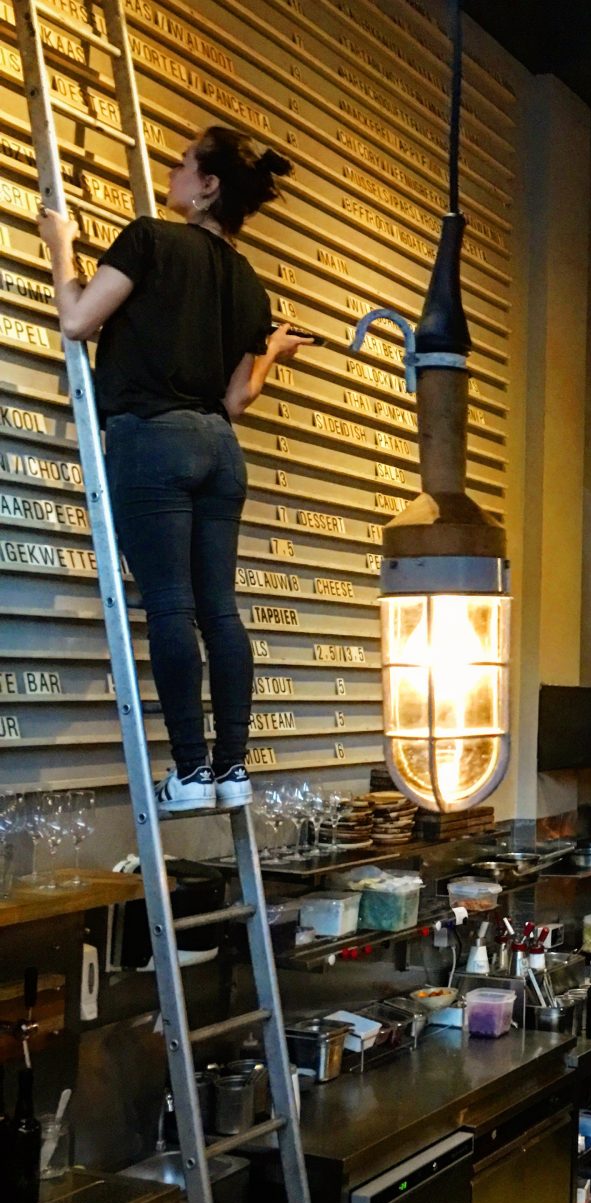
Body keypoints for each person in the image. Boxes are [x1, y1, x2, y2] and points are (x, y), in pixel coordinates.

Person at [37, 127, 312, 813]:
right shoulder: (250, 286)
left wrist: (60, 246)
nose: (171, 171)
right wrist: (270, 353)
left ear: (208, 186)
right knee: (219, 609)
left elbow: (77, 321)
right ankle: (231, 768)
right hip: (219, 449)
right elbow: (236, 400)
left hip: (153, 441)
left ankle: (189, 772)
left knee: (169, 605)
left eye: (183, 163)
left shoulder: (150, 240)